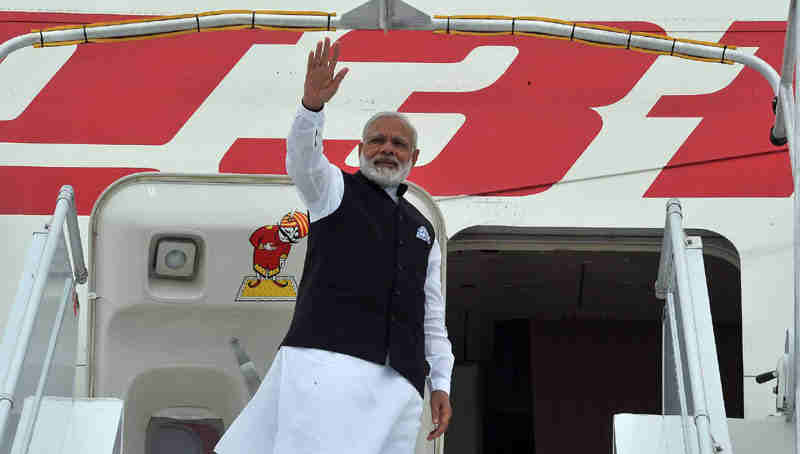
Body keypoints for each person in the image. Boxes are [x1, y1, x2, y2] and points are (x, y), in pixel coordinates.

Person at [215, 37, 454, 454]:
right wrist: (311, 107)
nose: (387, 149)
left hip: (399, 382)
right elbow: (301, 160)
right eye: (377, 140)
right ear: (361, 149)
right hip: (325, 366)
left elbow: (431, 316)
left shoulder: (424, 228)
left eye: (398, 144)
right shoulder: (333, 189)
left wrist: (442, 383)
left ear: (414, 155)